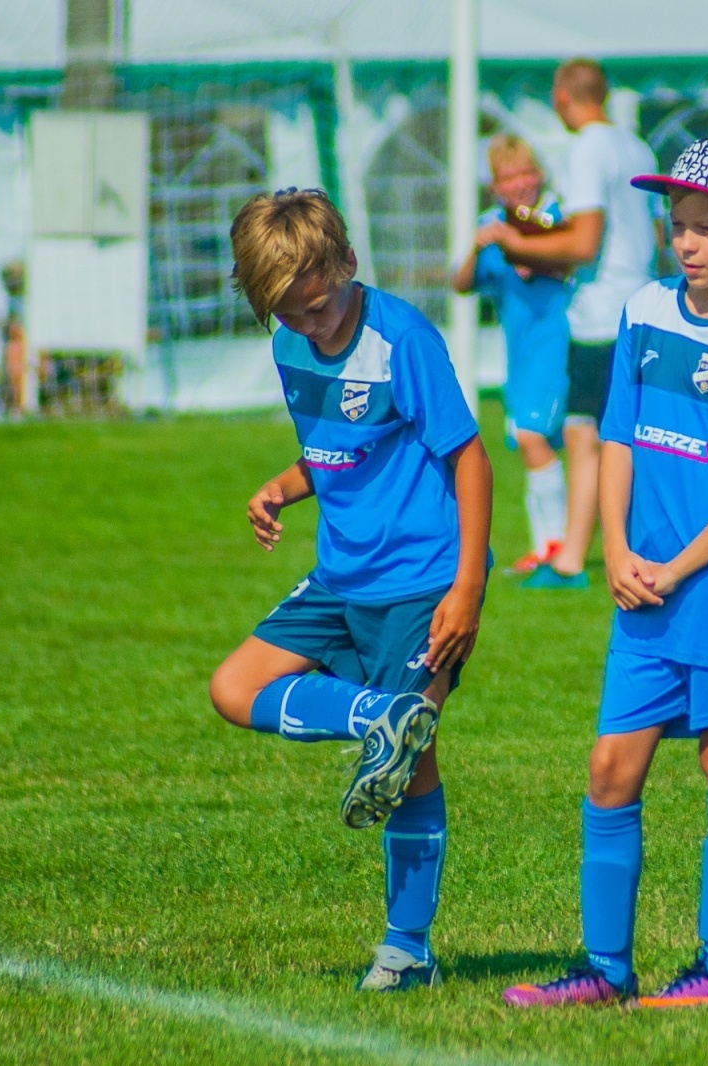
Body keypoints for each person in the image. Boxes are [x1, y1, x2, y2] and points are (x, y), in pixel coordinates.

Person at [502, 135, 708, 1009]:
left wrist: (678, 565)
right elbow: (618, 436)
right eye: (677, 225)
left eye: (707, 227)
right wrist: (616, 550)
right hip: (643, 588)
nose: (686, 243)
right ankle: (605, 970)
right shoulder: (645, 310)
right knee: (610, 769)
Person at [208, 189, 494, 993]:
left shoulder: (402, 338)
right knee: (233, 688)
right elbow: (338, 452)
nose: (314, 325)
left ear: (347, 264)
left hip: (423, 580)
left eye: (322, 304)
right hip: (340, 576)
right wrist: (284, 485)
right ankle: (377, 715)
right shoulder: (290, 345)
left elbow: (470, 460)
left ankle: (406, 951)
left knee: (414, 762)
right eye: (293, 316)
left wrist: (468, 585)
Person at [483, 57, 659, 590]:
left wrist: (514, 242)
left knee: (586, 437)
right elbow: (652, 230)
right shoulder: (637, 145)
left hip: (603, 313)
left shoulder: (588, 148)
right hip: (643, 300)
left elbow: (583, 244)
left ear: (563, 98)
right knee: (626, 439)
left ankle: (570, 562)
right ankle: (605, 552)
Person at [454, 133, 572, 575]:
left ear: (539, 173)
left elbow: (570, 262)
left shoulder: (560, 216)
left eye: (525, 172)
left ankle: (555, 548)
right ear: (495, 186)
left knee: (533, 437)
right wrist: (479, 246)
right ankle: (544, 546)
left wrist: (528, 250)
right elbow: (461, 283)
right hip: (519, 355)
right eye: (508, 177)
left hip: (559, 344)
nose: (519, 183)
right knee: (529, 444)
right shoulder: (493, 222)